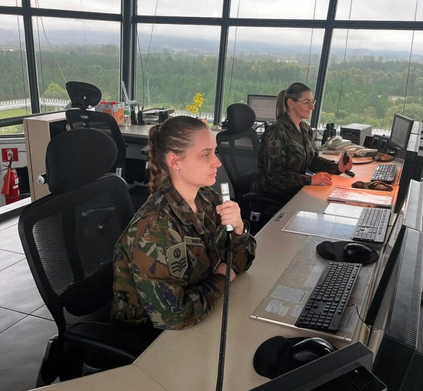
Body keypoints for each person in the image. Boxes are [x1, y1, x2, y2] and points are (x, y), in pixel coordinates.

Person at [111, 116, 256, 331]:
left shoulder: (208, 199)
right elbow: (174, 317)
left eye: (214, 152)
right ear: (175, 161)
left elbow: (243, 260)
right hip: (149, 341)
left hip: (203, 318)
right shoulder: (156, 229)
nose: (217, 162)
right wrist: (223, 276)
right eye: (206, 155)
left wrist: (238, 229)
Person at [250, 82, 352, 219]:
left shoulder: (304, 129)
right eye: (306, 102)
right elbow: (276, 175)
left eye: (312, 102)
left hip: (295, 190)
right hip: (275, 196)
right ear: (291, 103)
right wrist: (310, 179)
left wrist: (337, 167)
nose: (312, 107)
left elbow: (313, 160)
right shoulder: (276, 133)